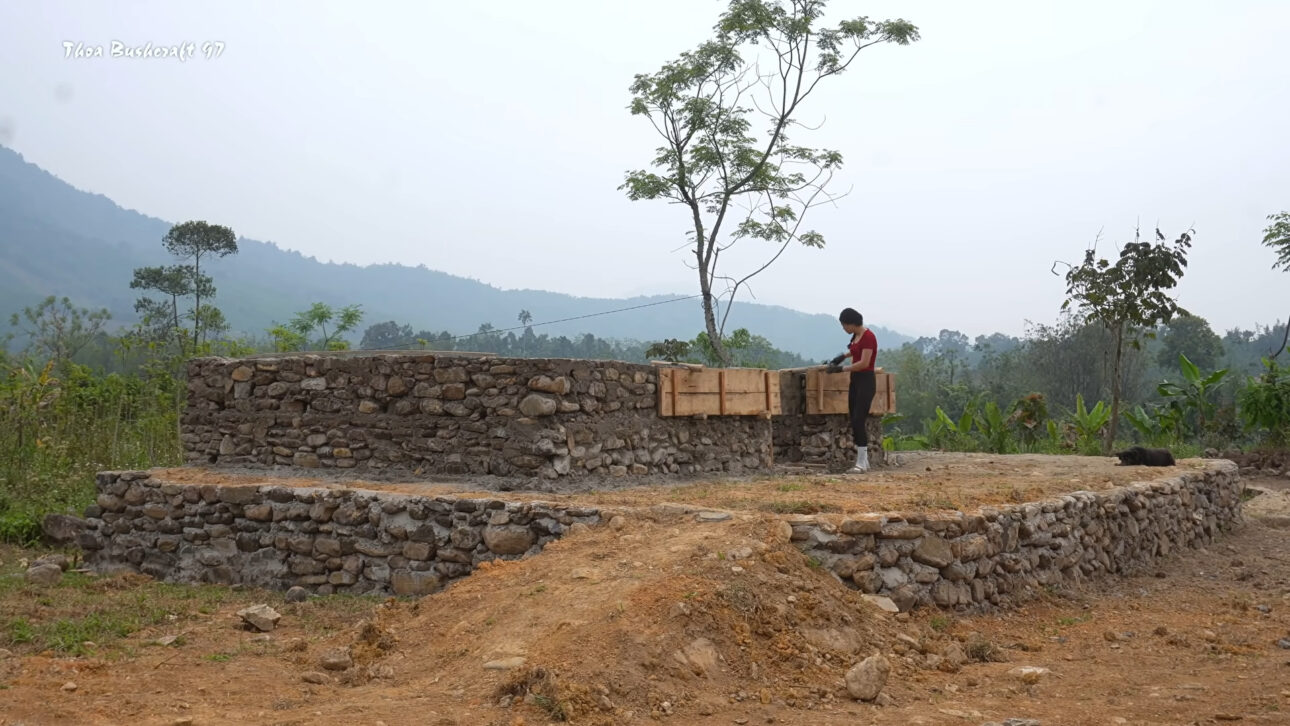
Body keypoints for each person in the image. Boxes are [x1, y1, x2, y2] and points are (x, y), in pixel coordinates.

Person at [825, 308, 878, 473]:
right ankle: (864, 461)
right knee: (853, 416)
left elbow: (864, 363)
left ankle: (862, 462)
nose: (844, 329)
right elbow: (855, 351)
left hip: (866, 380)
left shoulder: (869, 337)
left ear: (851, 324)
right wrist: (842, 356)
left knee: (858, 419)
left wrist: (841, 369)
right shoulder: (856, 336)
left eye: (844, 325)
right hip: (855, 381)